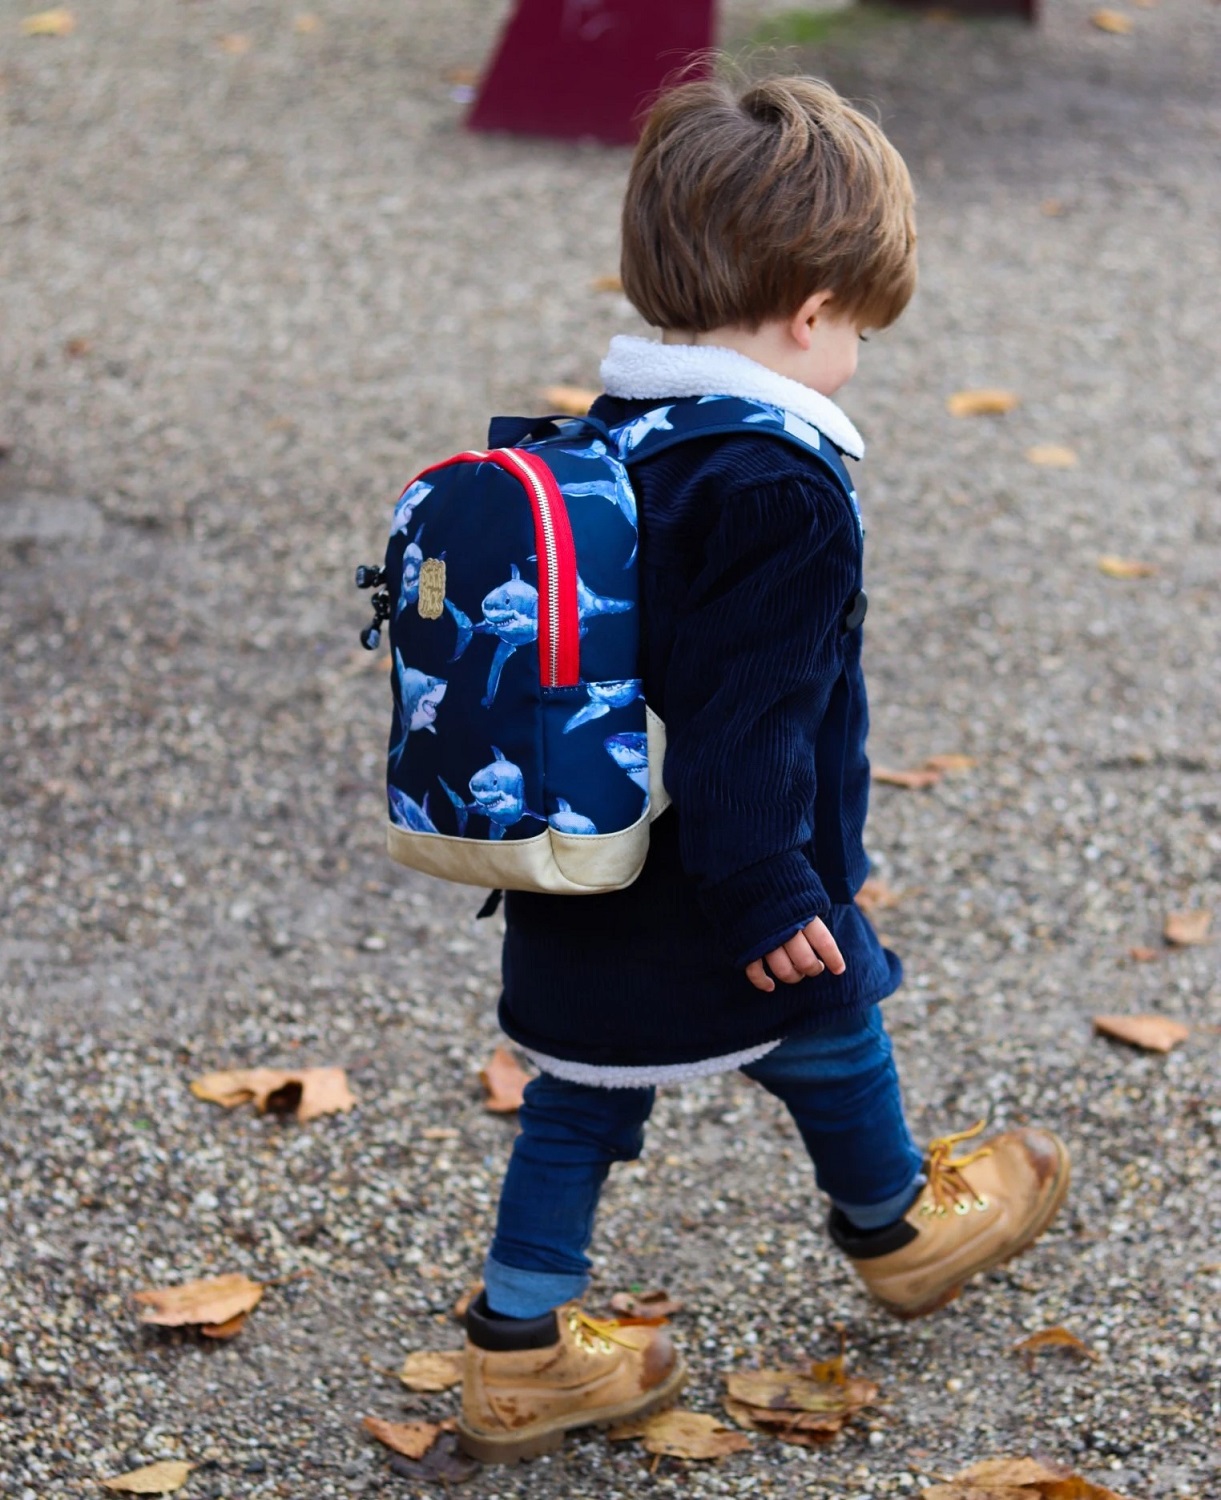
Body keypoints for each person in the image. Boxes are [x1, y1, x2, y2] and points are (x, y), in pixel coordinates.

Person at [455, 74, 1070, 1465]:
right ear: (811, 313)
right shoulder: (780, 488)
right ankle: (899, 1229)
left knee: (579, 1091)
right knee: (834, 1017)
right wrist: (769, 890)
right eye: (858, 330)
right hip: (725, 870)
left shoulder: (608, 439)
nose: (854, 354)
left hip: (581, 856)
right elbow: (746, 724)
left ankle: (517, 1352)